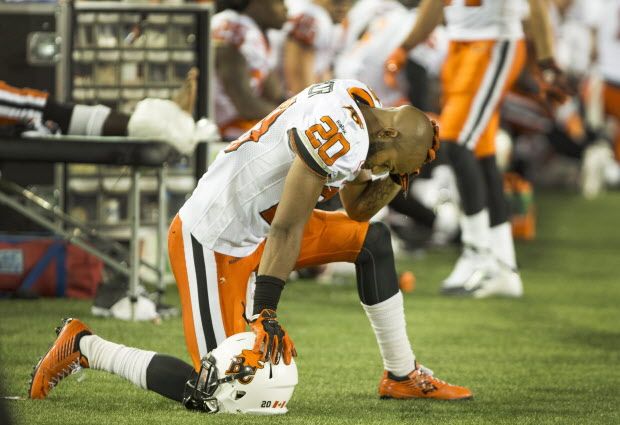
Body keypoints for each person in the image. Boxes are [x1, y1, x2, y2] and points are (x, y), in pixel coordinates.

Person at [29, 79, 472, 409]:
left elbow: (357, 211)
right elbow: (287, 227)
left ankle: (402, 374)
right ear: (391, 134)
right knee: (213, 392)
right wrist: (266, 311)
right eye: (396, 166)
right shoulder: (340, 133)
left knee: (371, 240)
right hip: (214, 239)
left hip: (257, 230)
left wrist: (394, 177)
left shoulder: (365, 108)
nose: (390, 172)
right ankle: (84, 346)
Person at [384, 0, 570, 298]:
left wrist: (547, 62)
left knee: (457, 142)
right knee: (482, 155)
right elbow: (435, 4)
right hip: (459, 45)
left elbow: (537, 6)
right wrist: (405, 47)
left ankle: (478, 253)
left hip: (494, 43)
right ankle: (504, 265)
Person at [212, 0, 288, 139]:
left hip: (237, 125)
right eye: (279, 2)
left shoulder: (255, 32)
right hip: (221, 130)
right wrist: (292, 114)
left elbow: (275, 94)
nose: (286, 9)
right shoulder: (236, 29)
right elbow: (245, 105)